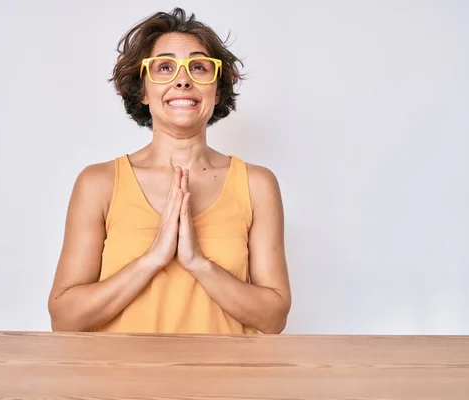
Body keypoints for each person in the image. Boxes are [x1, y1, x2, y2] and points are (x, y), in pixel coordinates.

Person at [47, 7, 291, 334]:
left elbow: (273, 318)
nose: (182, 79)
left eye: (199, 67)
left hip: (225, 384)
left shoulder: (257, 184)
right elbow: (65, 318)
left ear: (217, 90)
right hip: (117, 384)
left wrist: (198, 263)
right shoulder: (98, 183)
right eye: (164, 67)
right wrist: (152, 258)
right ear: (142, 90)